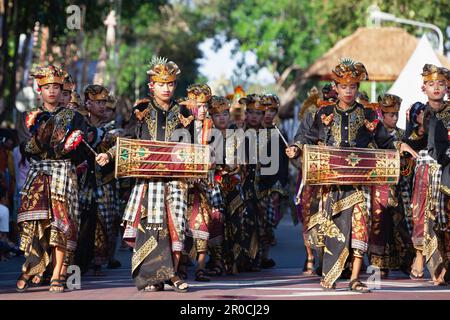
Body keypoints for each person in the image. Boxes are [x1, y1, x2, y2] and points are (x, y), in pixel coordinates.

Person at [286, 58, 418, 292]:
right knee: (329, 231)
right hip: (330, 184)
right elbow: (306, 137)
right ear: (336, 87)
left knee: (360, 226)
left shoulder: (367, 115)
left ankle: (356, 278)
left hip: (358, 184)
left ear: (357, 88)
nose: (348, 91)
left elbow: (384, 140)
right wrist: (295, 148)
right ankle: (330, 273)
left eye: (353, 86)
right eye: (344, 86)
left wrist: (400, 146)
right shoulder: (323, 113)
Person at [96, 57, 189, 293]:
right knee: (151, 226)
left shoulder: (184, 111)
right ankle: (152, 277)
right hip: (149, 180)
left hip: (177, 179)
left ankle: (173, 273)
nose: (166, 88)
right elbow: (128, 140)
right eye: (161, 83)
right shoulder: (141, 111)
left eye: (170, 84)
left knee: (177, 225)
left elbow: (194, 145)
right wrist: (110, 154)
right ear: (152, 86)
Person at [16, 65, 90, 293]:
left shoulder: (75, 117)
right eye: (47, 87)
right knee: (32, 220)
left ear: (62, 90)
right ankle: (32, 267)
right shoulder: (30, 116)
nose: (52, 91)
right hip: (38, 173)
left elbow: (82, 152)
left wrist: (67, 146)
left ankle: (58, 272)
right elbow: (26, 148)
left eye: (56, 87)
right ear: (40, 90)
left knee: (62, 223)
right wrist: (39, 139)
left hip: (62, 173)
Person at [410, 64, 449, 286]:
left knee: (444, 218)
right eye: (431, 84)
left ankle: (442, 267)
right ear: (423, 87)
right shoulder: (417, 113)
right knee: (421, 215)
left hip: (447, 169)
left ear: (447, 87)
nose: (436, 88)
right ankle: (419, 256)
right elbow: (409, 140)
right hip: (425, 170)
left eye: (441, 84)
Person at [368, 94, 415, 278]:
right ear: (381, 114)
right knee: (380, 224)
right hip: (379, 185)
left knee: (402, 224)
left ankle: (405, 262)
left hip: (400, 186)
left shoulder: (404, 135)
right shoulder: (373, 134)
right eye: (390, 114)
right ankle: (379, 264)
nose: (394, 118)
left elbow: (410, 162)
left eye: (396, 114)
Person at [258, 93, 289, 268]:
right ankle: (255, 256)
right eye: (265, 110)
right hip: (255, 182)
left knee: (268, 222)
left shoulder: (279, 132)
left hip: (272, 183)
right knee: (255, 221)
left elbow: (283, 161)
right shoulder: (252, 130)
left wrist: (281, 185)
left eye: (272, 111)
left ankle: (265, 255)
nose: (268, 114)